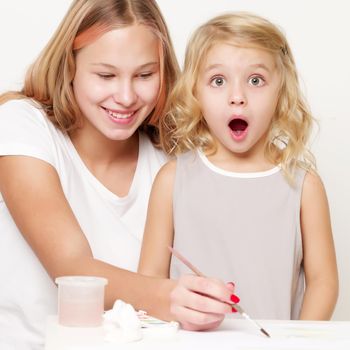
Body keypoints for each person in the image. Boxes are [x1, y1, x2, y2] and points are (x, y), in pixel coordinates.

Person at [0, 1, 234, 348]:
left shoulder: (172, 161)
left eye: (144, 75)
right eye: (106, 75)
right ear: (70, 67)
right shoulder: (21, 124)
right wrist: (173, 298)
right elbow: (73, 268)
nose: (125, 97)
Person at [138, 12, 339, 321]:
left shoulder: (304, 186)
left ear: (280, 92)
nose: (237, 98)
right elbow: (150, 279)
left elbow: (323, 283)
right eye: (218, 81)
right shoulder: (172, 179)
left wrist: (300, 342)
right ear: (195, 92)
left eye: (255, 80)